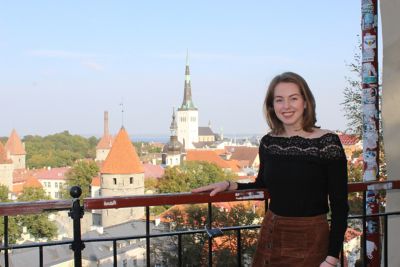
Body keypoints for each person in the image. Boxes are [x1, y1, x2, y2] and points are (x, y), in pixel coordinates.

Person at [192, 72, 349, 267]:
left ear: (306, 102)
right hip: (272, 231)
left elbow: (340, 204)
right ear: (272, 106)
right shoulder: (269, 142)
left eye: (293, 98)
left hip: (310, 237)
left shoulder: (327, 143)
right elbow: (263, 185)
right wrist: (229, 184)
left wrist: (332, 258)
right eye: (279, 100)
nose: (286, 106)